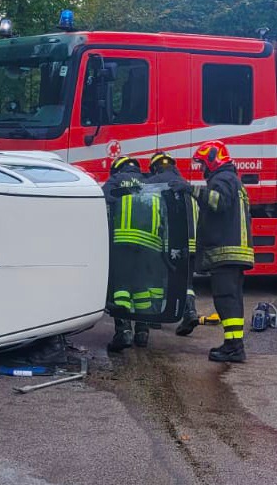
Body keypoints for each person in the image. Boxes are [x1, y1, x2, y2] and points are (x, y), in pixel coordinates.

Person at [191, 140, 253, 363]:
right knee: (232, 299)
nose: (201, 170)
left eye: (202, 164)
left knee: (226, 299)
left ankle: (234, 347)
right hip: (235, 254)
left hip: (226, 253)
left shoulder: (223, 179)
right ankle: (233, 345)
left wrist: (193, 190)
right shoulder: (233, 180)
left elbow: (218, 202)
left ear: (212, 160)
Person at [102, 155, 162, 351]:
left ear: (117, 169)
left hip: (123, 241)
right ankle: (142, 332)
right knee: (142, 288)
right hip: (149, 245)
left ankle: (124, 331)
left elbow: (103, 201)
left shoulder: (115, 180)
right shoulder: (148, 182)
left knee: (121, 288)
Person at [146, 151, 200, 336]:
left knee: (161, 280)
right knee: (187, 281)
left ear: (155, 167)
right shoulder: (185, 183)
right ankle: (190, 311)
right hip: (192, 243)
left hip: (170, 242)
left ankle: (156, 317)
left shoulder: (155, 183)